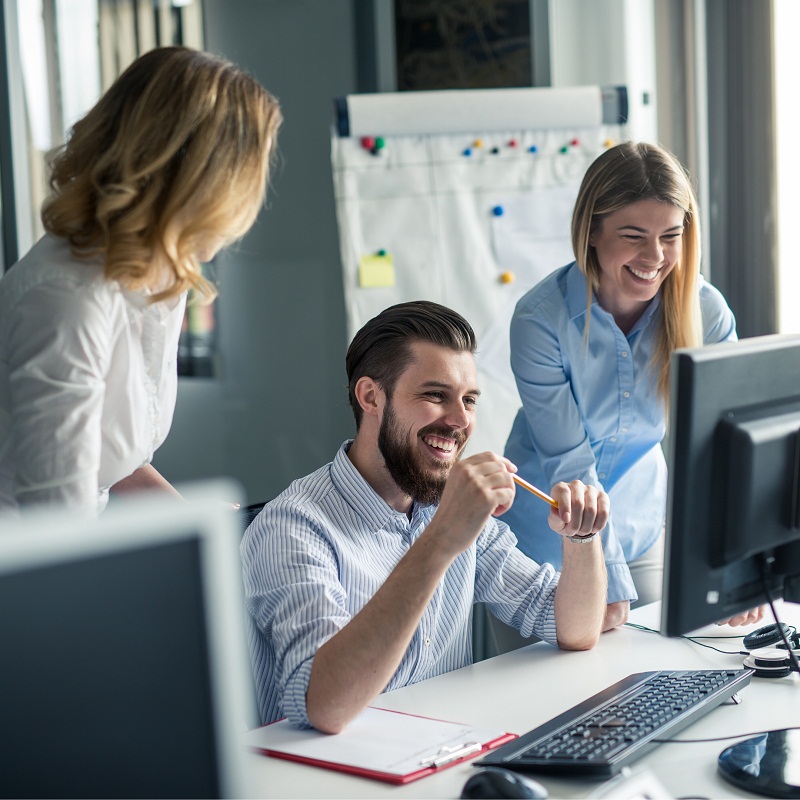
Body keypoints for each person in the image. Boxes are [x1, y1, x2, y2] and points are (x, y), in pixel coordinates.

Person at [242, 300, 610, 732]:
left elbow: (574, 629)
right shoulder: (291, 528)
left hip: (443, 751)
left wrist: (581, 538)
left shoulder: (448, 505)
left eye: (469, 400)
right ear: (370, 396)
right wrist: (441, 541)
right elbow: (324, 706)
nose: (460, 421)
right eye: (435, 395)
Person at [0, 46, 281, 514]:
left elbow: (110, 455)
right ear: (203, 182)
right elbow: (57, 526)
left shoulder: (154, 278)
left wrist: (196, 523)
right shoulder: (67, 300)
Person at [501, 141, 763, 629]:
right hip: (541, 540)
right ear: (592, 231)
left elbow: (725, 450)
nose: (655, 256)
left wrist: (737, 558)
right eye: (634, 235)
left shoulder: (705, 313)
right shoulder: (541, 320)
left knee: (665, 679)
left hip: (643, 528)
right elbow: (571, 465)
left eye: (671, 235)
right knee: (550, 696)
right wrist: (607, 580)